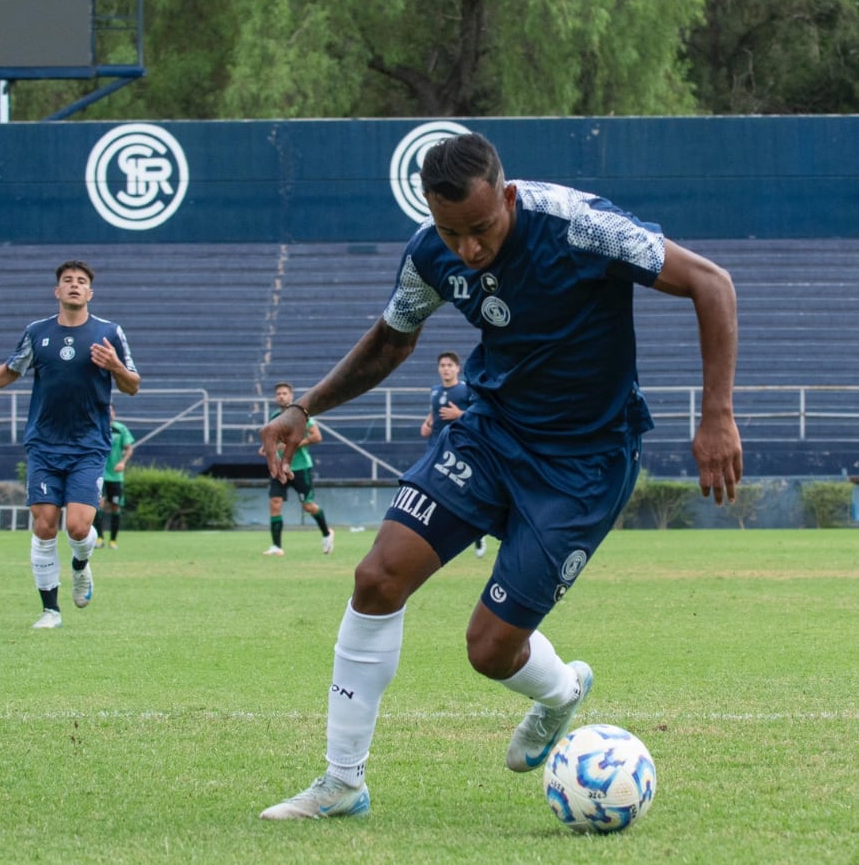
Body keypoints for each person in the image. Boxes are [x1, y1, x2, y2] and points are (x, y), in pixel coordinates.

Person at [258, 132, 740, 820]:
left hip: (584, 462)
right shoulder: (432, 253)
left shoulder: (580, 227)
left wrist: (716, 414)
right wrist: (306, 406)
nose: (470, 249)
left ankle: (561, 690)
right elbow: (393, 338)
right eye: (453, 232)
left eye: (481, 228)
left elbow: (711, 282)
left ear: (506, 197)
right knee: (377, 576)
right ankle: (341, 781)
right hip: (491, 434)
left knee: (488, 649)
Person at [0, 260, 139, 629]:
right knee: (44, 526)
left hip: (89, 445)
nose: (74, 286)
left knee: (77, 527)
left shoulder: (109, 333)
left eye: (81, 282)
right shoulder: (37, 332)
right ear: (56, 291)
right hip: (44, 443)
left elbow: (132, 385)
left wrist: (116, 367)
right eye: (67, 281)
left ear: (90, 292)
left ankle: (80, 565)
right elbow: (12, 369)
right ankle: (50, 610)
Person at [420, 350, 487, 559]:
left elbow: (481, 412)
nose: (446, 369)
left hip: (459, 448)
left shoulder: (465, 390)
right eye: (442, 365)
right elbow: (435, 409)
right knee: (428, 488)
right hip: (435, 447)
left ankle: (476, 533)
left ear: (457, 368)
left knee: (463, 492)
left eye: (450, 365)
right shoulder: (435, 390)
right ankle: (427, 533)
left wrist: (459, 415)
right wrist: (427, 422)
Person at [262, 381, 334, 557]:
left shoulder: (302, 415)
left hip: (300, 468)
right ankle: (276, 546)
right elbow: (274, 439)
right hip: (280, 468)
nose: (281, 396)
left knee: (308, 506)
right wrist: (267, 447)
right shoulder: (274, 416)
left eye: (285, 393)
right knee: (275, 503)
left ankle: (327, 533)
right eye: (278, 393)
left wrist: (291, 445)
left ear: (291, 395)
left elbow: (316, 436)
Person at [98, 404, 135, 550]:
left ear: (114, 413)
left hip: (115, 476)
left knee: (115, 506)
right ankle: (99, 538)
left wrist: (123, 462)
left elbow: (129, 448)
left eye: (111, 411)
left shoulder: (121, 429)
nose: (108, 413)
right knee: (97, 504)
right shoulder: (97, 427)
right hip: (99, 474)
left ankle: (113, 540)